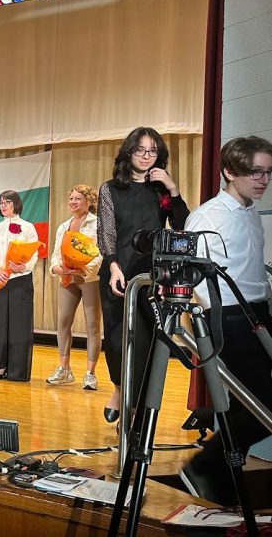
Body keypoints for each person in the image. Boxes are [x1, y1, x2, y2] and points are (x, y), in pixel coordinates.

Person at [180, 136, 272, 505]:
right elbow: (190, 277)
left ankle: (218, 472)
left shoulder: (251, 212)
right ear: (230, 172)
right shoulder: (207, 217)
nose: (264, 180)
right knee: (260, 405)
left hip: (258, 313)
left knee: (248, 406)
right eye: (255, 172)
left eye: (268, 172)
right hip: (228, 318)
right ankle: (204, 466)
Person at [97, 127, 189, 422]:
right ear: (129, 152)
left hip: (151, 276)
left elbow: (181, 227)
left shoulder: (161, 190)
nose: (146, 156)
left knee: (145, 340)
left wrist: (173, 189)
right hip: (117, 271)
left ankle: (136, 409)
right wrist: (113, 265)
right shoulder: (110, 189)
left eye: (152, 151)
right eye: (140, 150)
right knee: (116, 340)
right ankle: (119, 389)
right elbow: (107, 233)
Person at [47, 185, 103, 389]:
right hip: (67, 279)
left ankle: (90, 374)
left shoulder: (97, 224)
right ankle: (64, 369)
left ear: (89, 201)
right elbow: (56, 253)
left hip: (90, 279)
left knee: (92, 325)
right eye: (71, 198)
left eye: (78, 198)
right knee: (63, 322)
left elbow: (100, 253)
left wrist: (84, 269)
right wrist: (57, 268)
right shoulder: (64, 226)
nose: (73, 202)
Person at [0, 190, 39, 381]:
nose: (3, 205)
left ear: (16, 204)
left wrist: (23, 266)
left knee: (19, 325)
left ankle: (17, 370)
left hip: (20, 280)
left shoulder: (28, 227)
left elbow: (34, 254)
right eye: (1, 203)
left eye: (7, 202)